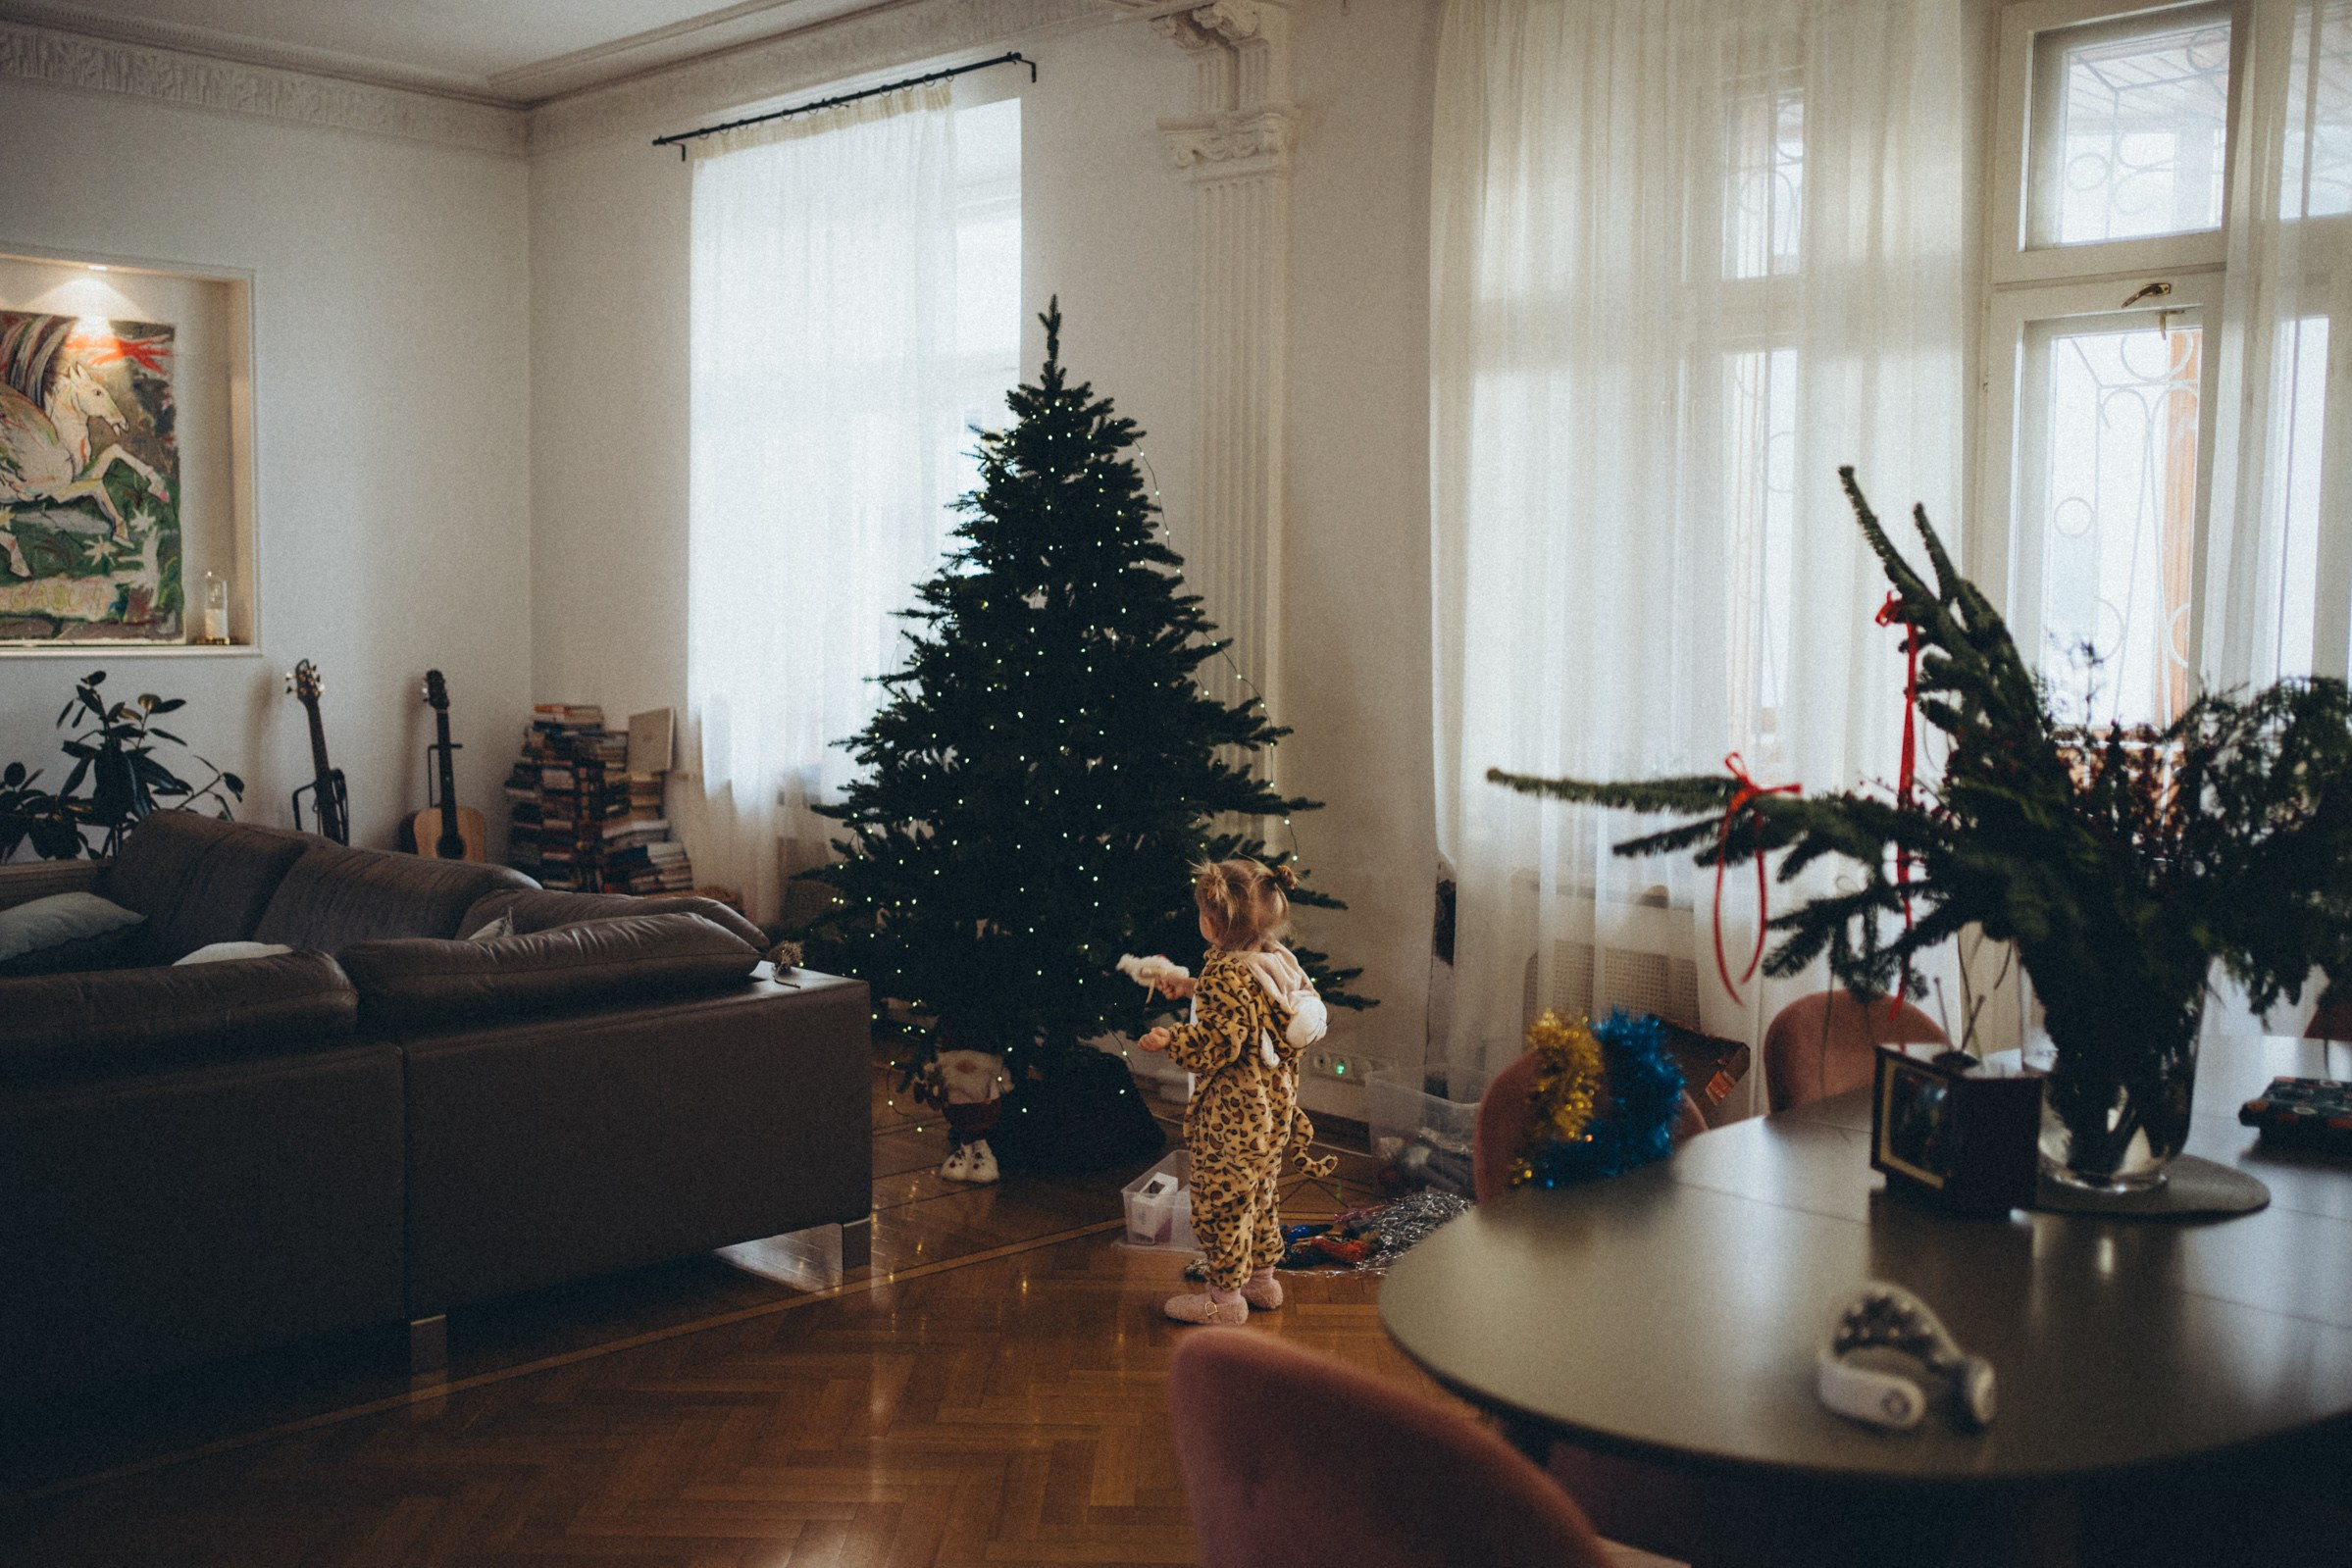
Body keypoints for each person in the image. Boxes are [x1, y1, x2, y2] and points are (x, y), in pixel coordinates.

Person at [1138, 859, 1336, 1325]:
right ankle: (1262, 1281)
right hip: (1271, 1111)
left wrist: (1172, 1039)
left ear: (1211, 922)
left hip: (1231, 1116)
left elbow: (1219, 1044)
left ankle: (1223, 1302)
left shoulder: (1226, 974)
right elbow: (1249, 1009)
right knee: (1261, 1194)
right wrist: (1192, 986)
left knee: (1222, 1202)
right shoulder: (1275, 960)